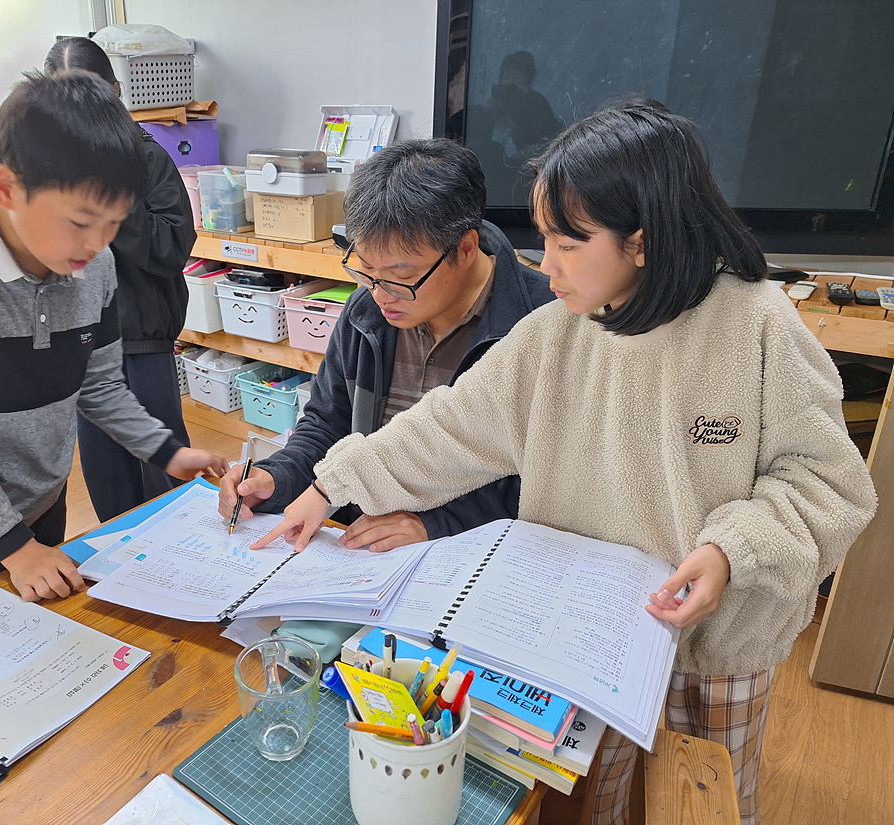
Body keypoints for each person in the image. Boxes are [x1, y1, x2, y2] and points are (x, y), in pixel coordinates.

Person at [252, 100, 877, 824]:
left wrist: (732, 550)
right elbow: (447, 429)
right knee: (584, 800)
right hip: (581, 640)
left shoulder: (758, 322)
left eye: (566, 241)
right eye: (542, 238)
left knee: (707, 800)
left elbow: (826, 481)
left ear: (640, 241)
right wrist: (331, 483)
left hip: (718, 644)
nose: (543, 263)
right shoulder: (551, 336)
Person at [0, 70, 228, 623]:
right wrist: (14, 549)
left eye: (113, 224)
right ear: (8, 189)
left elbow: (100, 386)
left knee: (34, 654)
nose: (98, 244)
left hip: (40, 505)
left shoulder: (97, 265)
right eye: (82, 222)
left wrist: (168, 453)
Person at [217, 138, 554, 552]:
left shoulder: (540, 323)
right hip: (358, 544)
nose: (380, 293)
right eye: (366, 270)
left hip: (472, 550)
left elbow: (543, 477)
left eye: (400, 275)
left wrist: (437, 523)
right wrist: (277, 477)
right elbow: (327, 423)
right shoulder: (368, 309)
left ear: (465, 248)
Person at [45, 37, 198, 523]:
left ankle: (189, 566)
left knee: (164, 470)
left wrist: (111, 193)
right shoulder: (47, 166)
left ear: (115, 91)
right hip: (80, 342)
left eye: (92, 95)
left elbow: (172, 248)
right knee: (105, 475)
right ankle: (123, 571)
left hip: (143, 338)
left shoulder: (147, 158)